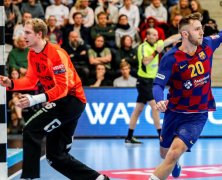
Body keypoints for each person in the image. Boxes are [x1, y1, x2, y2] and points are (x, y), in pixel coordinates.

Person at [149, 6, 222, 180]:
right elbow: (158, 84)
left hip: (197, 114)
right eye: (197, 29)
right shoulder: (171, 58)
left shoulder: (207, 45)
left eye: (201, 28)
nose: (202, 32)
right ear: (185, 34)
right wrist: (159, 100)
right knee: (165, 153)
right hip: (174, 112)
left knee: (172, 154)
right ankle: (176, 161)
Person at [0, 18, 109, 180]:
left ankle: (29, 177)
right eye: (23, 32)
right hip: (60, 102)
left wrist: (34, 99)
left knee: (30, 129)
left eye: (28, 32)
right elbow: (30, 80)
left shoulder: (56, 54)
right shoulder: (32, 53)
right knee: (55, 157)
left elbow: (62, 88)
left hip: (71, 101)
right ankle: (98, 179)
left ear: (39, 34)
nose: (24, 36)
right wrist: (11, 83)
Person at [125, 28, 181, 144]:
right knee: (156, 107)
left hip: (152, 81)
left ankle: (129, 137)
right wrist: (156, 52)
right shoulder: (143, 47)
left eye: (157, 35)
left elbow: (170, 39)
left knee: (138, 110)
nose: (156, 37)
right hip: (144, 81)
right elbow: (145, 61)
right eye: (154, 35)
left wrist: (183, 33)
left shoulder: (158, 44)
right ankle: (162, 136)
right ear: (147, 36)